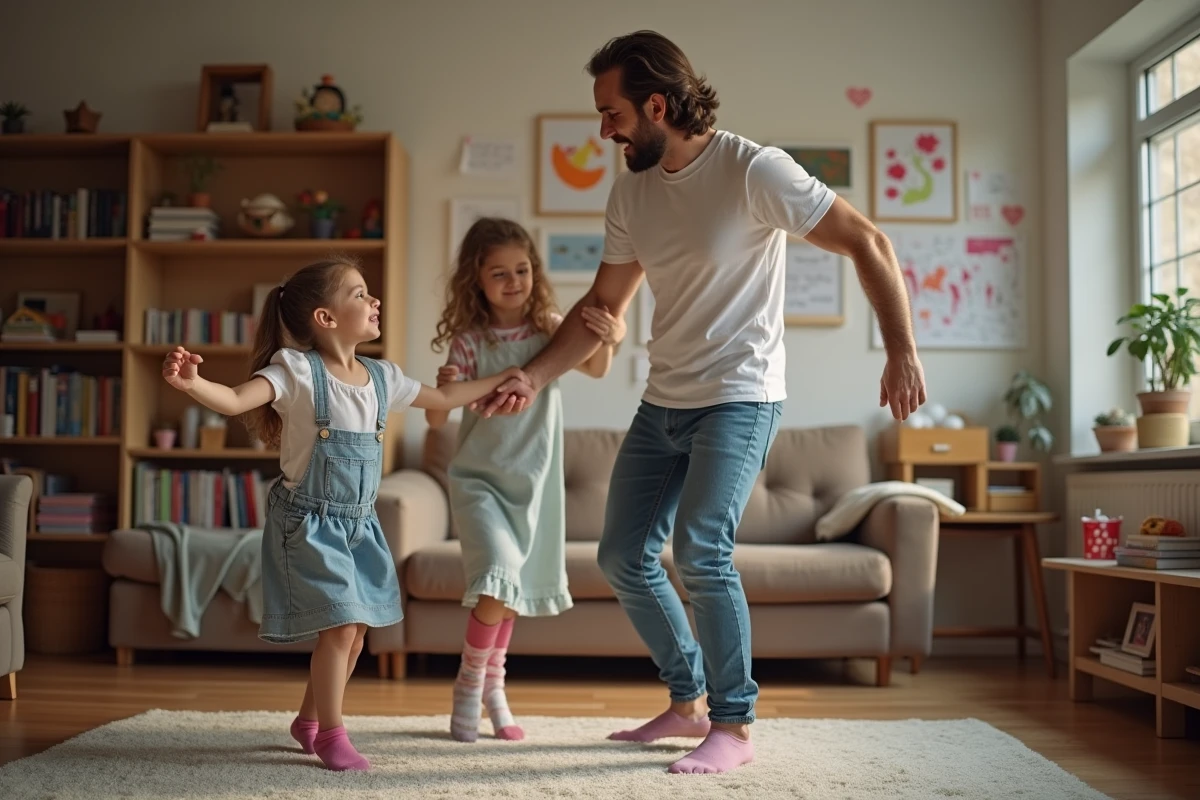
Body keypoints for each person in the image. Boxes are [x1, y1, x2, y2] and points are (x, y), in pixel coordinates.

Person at [474, 31, 927, 775]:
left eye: (613, 113)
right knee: (624, 555)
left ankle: (734, 724)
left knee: (702, 551)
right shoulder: (632, 192)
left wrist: (901, 349)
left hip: (740, 397)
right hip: (665, 399)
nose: (604, 130)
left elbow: (867, 241)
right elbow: (601, 307)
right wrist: (534, 375)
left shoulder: (755, 170)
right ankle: (686, 700)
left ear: (657, 105)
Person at [161, 257, 530, 772]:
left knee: (355, 634)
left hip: (360, 523)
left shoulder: (382, 376)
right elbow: (234, 399)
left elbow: (445, 396)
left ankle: (308, 721)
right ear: (326, 318)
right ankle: (333, 735)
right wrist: (191, 384)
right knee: (339, 630)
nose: (374, 300)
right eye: (359, 294)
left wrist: (502, 378)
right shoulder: (295, 371)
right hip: (308, 522)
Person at [427, 218, 627, 742]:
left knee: (510, 590)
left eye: (522, 270)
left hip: (532, 485)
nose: (513, 282)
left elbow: (597, 368)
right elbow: (436, 418)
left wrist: (613, 339)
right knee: (496, 577)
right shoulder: (469, 343)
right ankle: (470, 683)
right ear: (476, 279)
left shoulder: (550, 329)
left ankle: (494, 687)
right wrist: (443, 386)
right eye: (499, 273)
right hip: (479, 482)